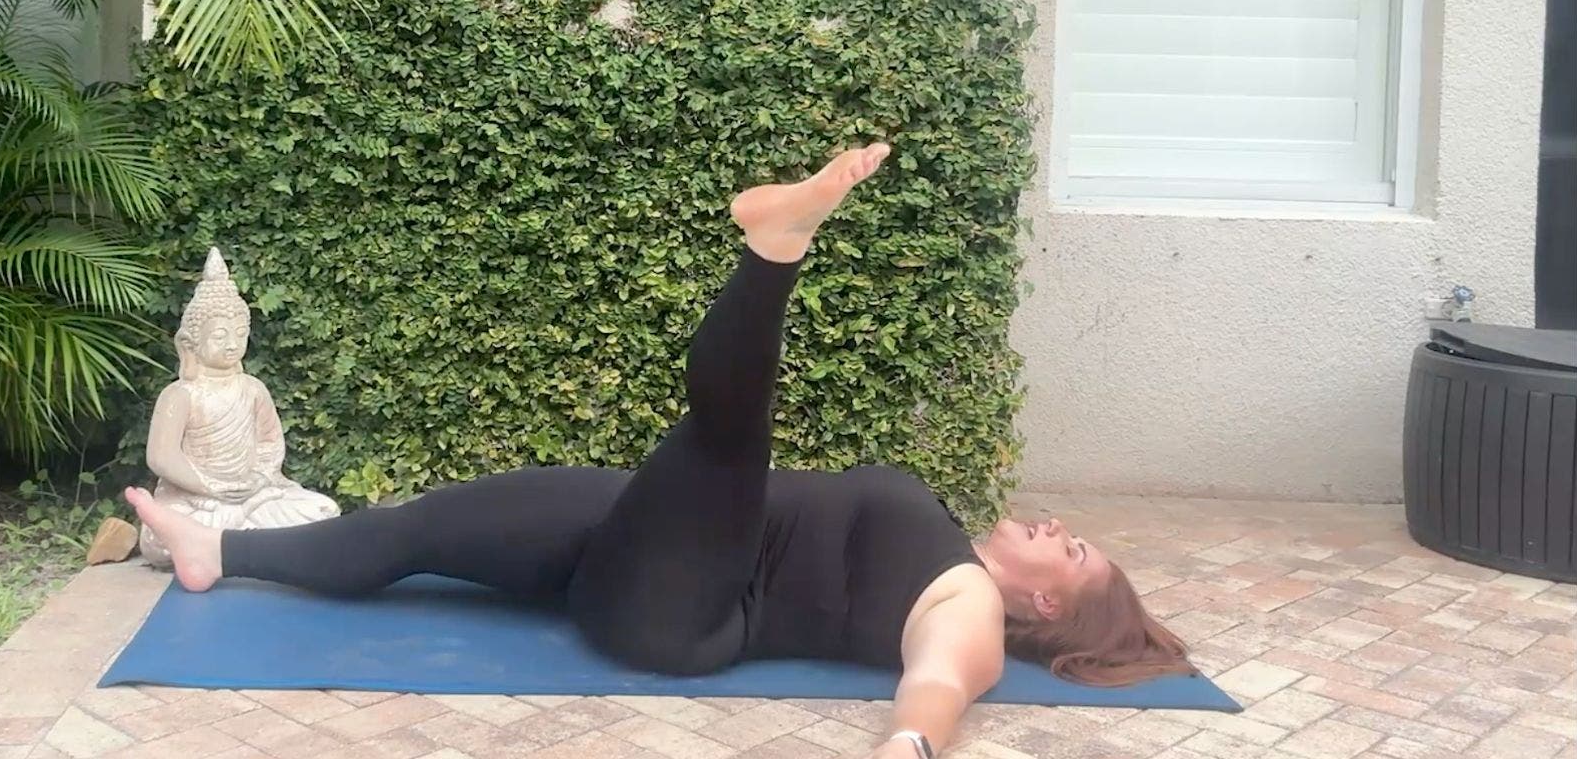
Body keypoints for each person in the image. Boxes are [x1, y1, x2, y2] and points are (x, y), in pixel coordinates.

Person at [128, 144, 1190, 756]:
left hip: (686, 611)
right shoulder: (949, 537)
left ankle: (777, 245)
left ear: (1044, 601)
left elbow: (941, 687)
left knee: (730, 441)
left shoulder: (968, 609)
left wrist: (908, 746)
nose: (1058, 527)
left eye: (1072, 551)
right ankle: (220, 553)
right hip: (641, 537)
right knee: (426, 527)